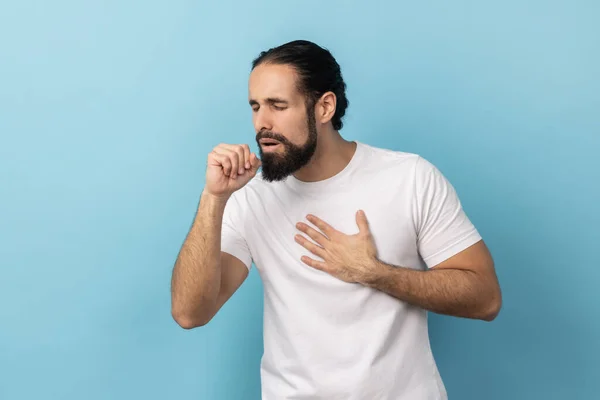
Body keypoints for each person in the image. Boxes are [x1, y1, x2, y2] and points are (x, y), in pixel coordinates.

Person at [170, 39, 502, 400]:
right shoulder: (249, 195)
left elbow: (485, 299)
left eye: (278, 106)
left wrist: (375, 273)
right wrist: (213, 198)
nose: (261, 123)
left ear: (324, 107)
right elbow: (190, 313)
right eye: (255, 107)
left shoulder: (410, 178)